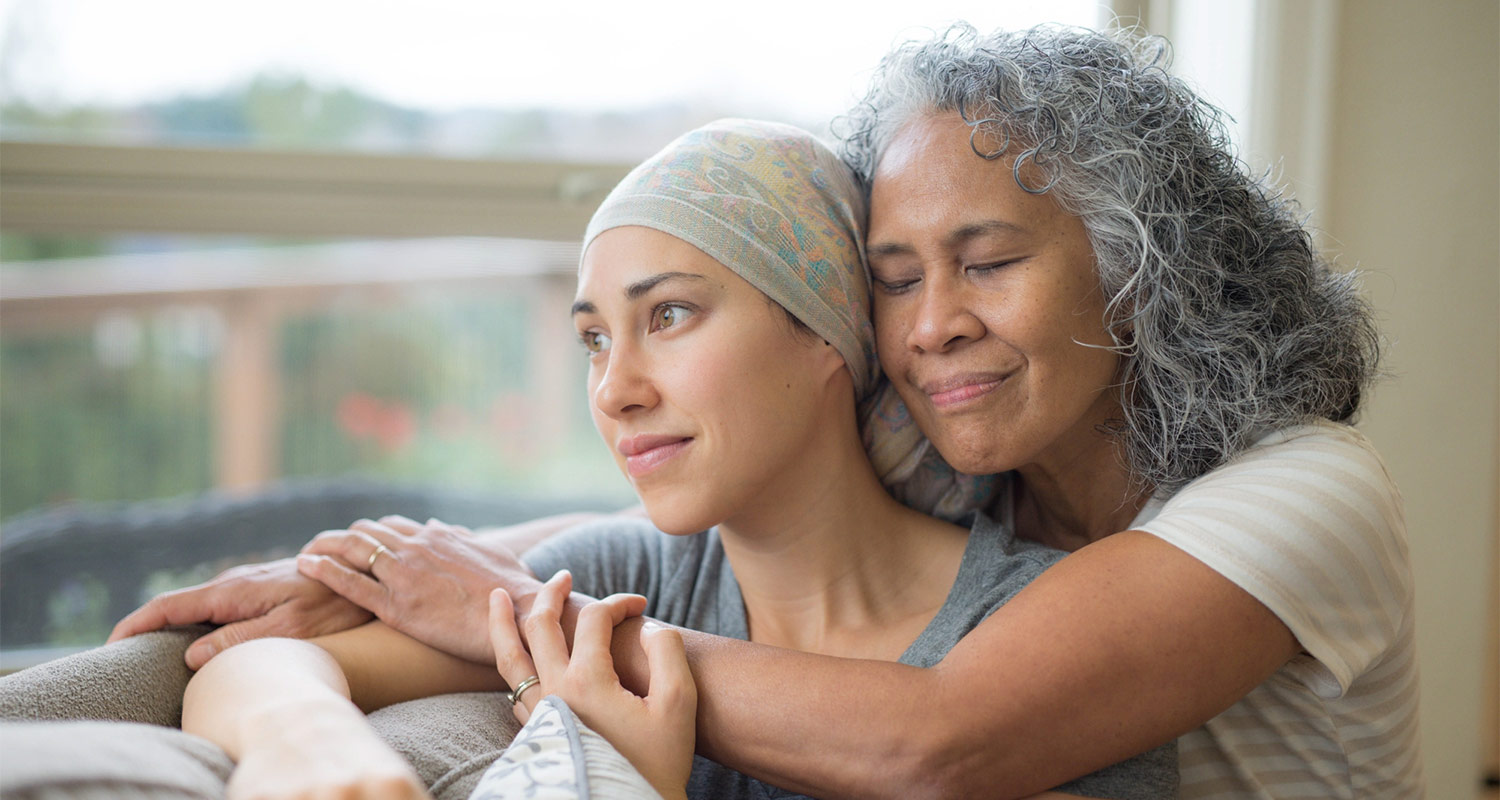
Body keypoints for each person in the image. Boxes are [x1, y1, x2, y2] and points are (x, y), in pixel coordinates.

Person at [109, 23, 1421, 799]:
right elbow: (662, 530)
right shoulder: (961, 457)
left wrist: (515, 613)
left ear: (1142, 270)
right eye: (895, 277)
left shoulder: (1307, 491)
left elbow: (940, 737)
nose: (928, 326)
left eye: (990, 260)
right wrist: (377, 567)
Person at [176, 118, 1176, 800]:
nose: (616, 388)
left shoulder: (1037, 647)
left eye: (669, 314)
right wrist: (305, 739)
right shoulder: (625, 582)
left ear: (827, 330)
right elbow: (261, 663)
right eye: (595, 338)